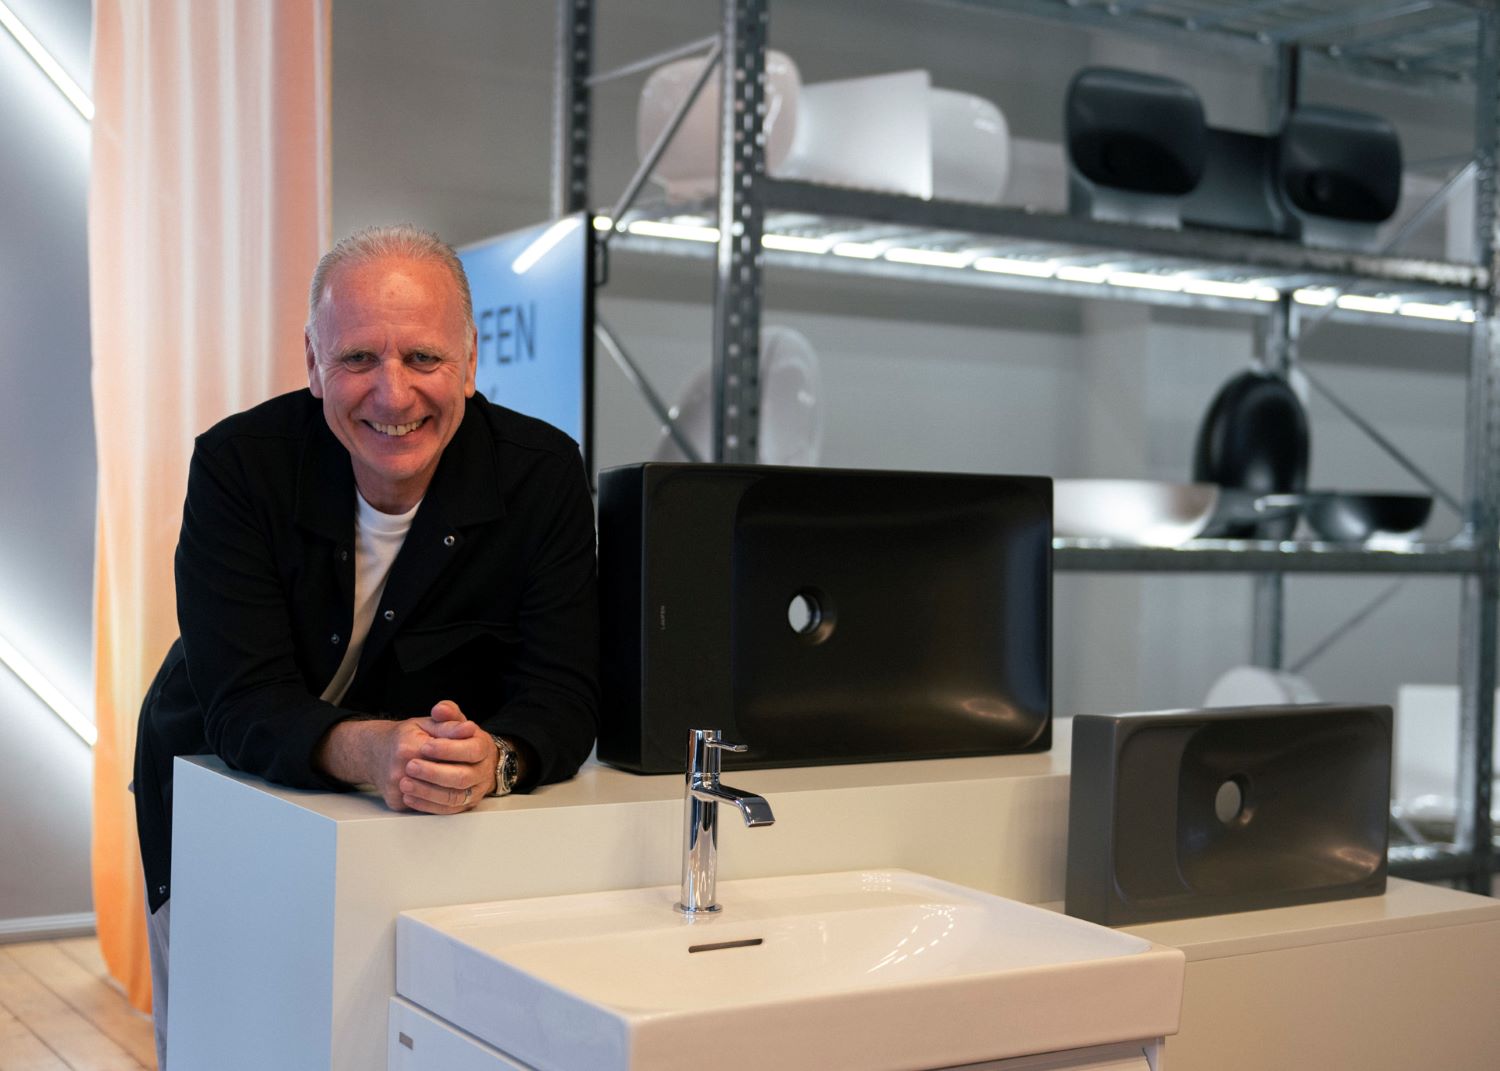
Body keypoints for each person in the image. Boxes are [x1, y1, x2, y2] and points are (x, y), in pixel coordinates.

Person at [132, 225, 599, 1067]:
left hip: (410, 834)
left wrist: (495, 760)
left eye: (423, 357)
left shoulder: (542, 475)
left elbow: (563, 695)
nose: (393, 393)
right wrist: (376, 749)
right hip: (220, 793)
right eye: (357, 359)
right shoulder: (238, 466)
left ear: (470, 360)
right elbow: (242, 704)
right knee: (223, 1037)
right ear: (313, 364)